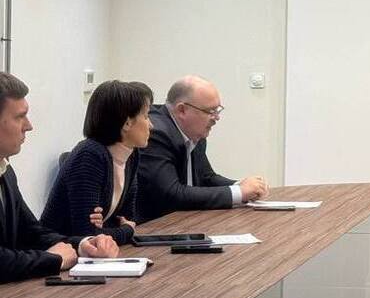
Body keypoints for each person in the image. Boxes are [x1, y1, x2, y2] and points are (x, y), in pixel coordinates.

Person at [0, 73, 120, 283]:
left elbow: (31, 233)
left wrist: (83, 245)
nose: (29, 126)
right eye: (20, 117)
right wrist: (52, 260)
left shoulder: (5, 170)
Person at [136, 75, 269, 222]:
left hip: (185, 222)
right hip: (154, 227)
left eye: (218, 110)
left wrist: (241, 186)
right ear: (182, 110)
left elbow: (206, 178)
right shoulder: (156, 133)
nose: (216, 118)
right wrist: (239, 192)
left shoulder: (193, 132)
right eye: (210, 111)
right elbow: (171, 194)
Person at [40, 81, 152, 245]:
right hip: (60, 250)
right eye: (146, 116)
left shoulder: (132, 155)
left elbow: (127, 217)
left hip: (95, 252)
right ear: (127, 123)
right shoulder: (90, 155)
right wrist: (126, 230)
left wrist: (114, 227)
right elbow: (87, 235)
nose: (151, 125)